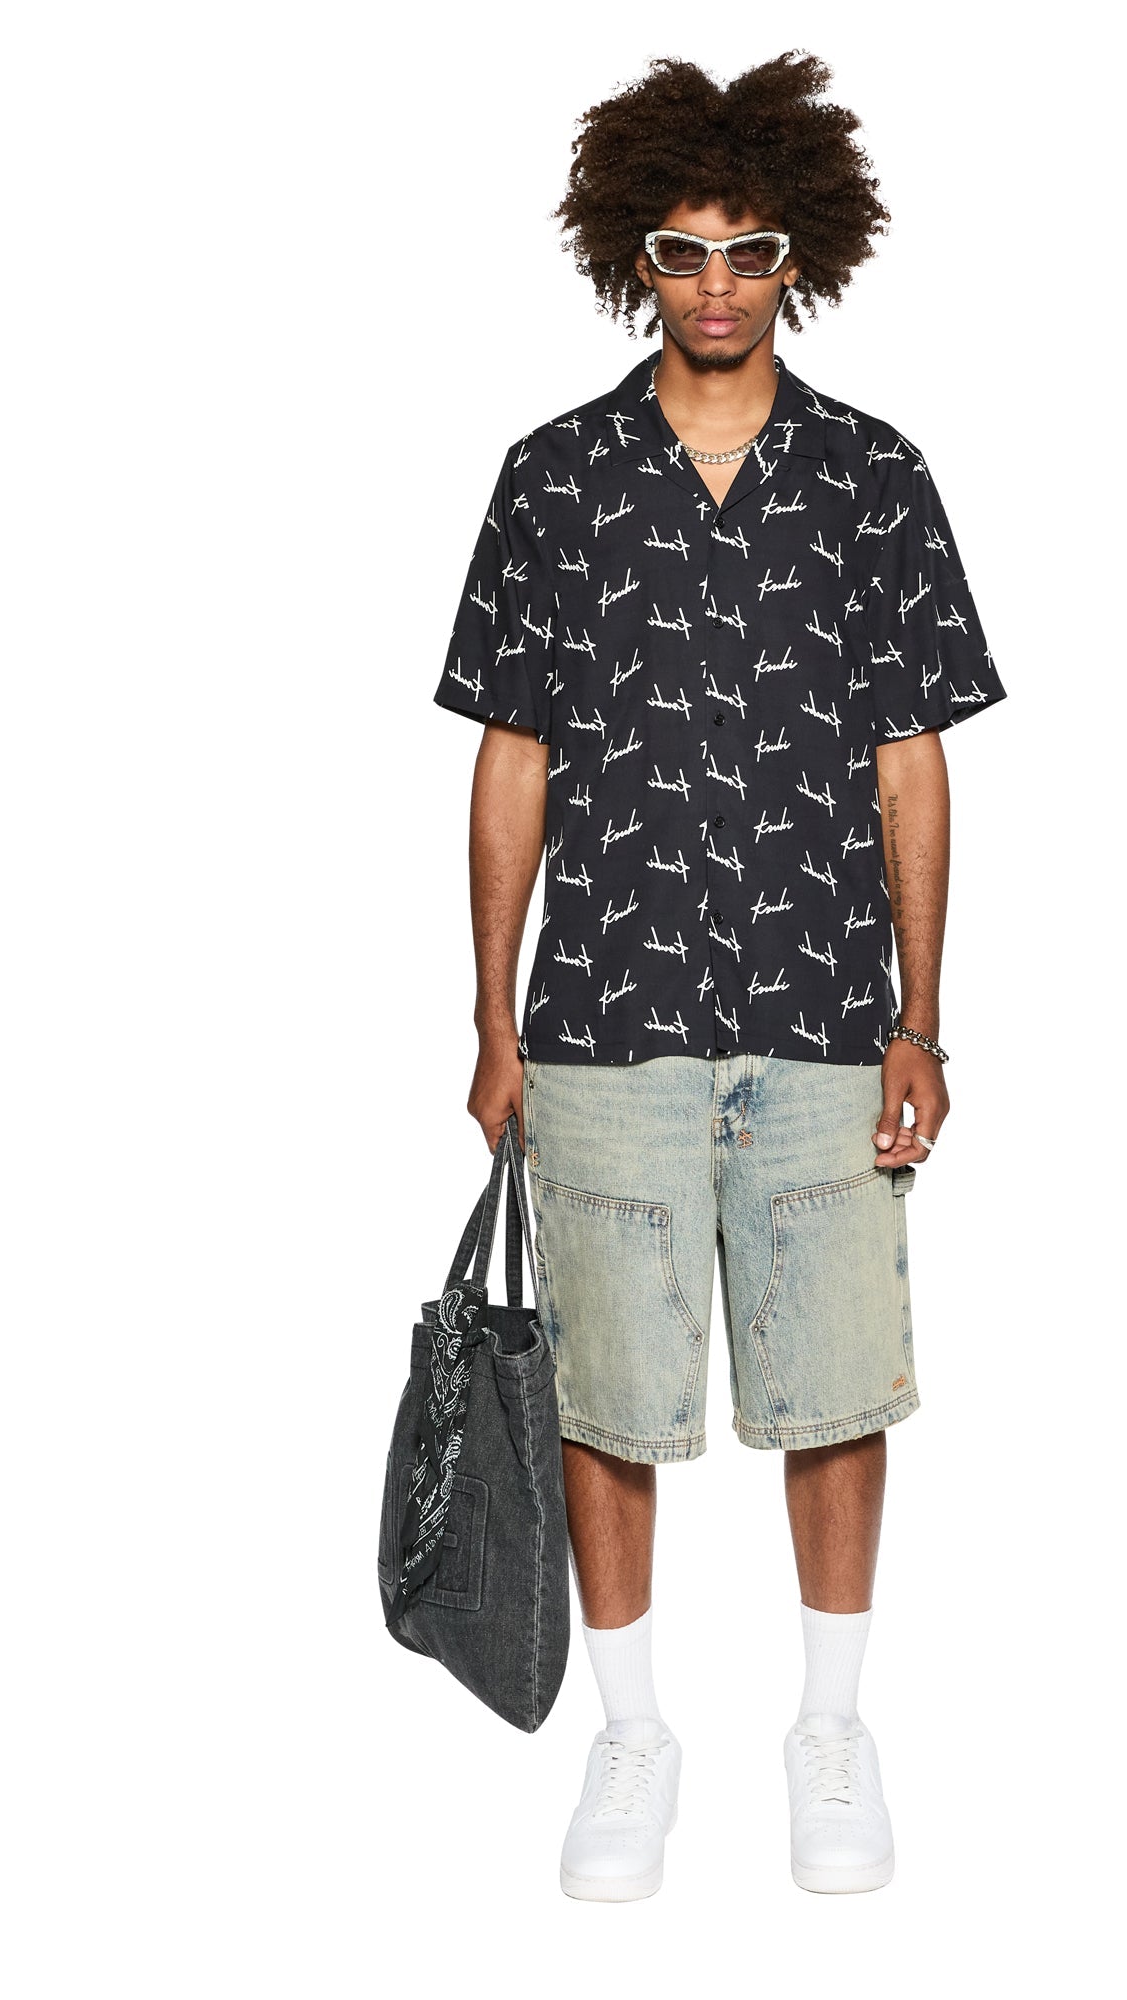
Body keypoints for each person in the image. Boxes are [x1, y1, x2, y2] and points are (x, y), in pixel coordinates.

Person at [433, 51, 1005, 1900]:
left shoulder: (873, 480)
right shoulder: (554, 481)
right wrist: (494, 1015)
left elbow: (912, 760)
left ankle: (831, 1727)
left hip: (826, 1017)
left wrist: (922, 1019)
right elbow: (512, 755)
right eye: (682, 252)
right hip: (604, 1020)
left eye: (749, 251)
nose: (716, 286)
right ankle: (632, 1736)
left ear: (796, 258)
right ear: (637, 259)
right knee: (606, 1393)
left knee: (836, 1388)